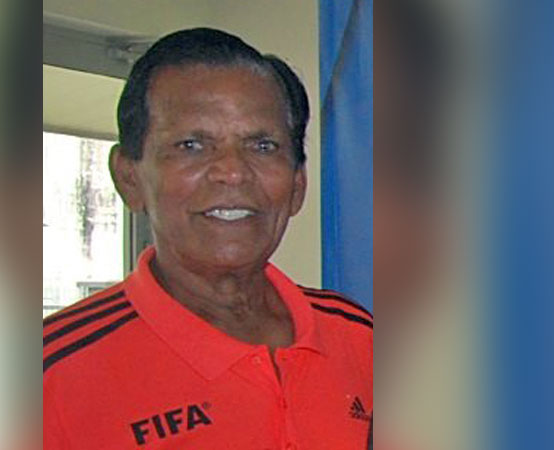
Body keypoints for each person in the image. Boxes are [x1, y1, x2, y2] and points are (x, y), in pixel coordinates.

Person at [43, 28, 372, 449]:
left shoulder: (358, 337)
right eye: (192, 145)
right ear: (129, 178)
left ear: (297, 185)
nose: (232, 171)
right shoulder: (53, 377)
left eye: (263, 146)